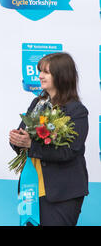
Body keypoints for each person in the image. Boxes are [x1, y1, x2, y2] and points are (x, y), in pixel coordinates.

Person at [9, 52, 89, 226]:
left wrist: (31, 145)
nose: (40, 76)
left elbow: (69, 151)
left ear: (61, 76)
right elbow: (24, 139)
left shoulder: (76, 111)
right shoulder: (37, 103)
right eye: (40, 71)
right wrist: (17, 140)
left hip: (62, 192)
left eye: (46, 72)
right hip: (31, 187)